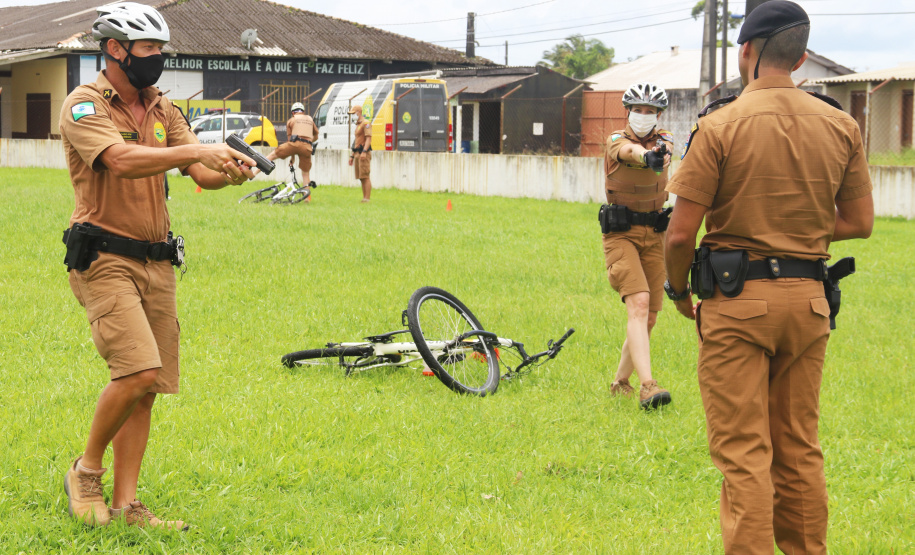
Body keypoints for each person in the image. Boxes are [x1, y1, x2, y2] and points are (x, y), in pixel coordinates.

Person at [663, 2, 874, 553]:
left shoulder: (719, 124)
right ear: (802, 57)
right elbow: (858, 222)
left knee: (744, 453)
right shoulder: (840, 123)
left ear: (746, 53)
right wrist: (797, 223)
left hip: (736, 304)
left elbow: (681, 235)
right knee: (799, 447)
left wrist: (680, 291)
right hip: (808, 304)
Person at [59, 1, 256, 529]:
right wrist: (199, 153)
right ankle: (85, 472)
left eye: (160, 49)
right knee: (137, 370)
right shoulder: (84, 105)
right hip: (104, 258)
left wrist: (228, 170)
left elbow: (200, 169)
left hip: (158, 260)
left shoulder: (163, 108)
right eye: (148, 49)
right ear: (115, 50)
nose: (158, 58)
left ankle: (127, 506)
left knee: (148, 388)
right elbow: (120, 162)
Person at [601, 82, 674, 410]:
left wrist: (659, 154)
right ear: (628, 111)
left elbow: (666, 152)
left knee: (650, 318)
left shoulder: (665, 141)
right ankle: (648, 386)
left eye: (650, 111)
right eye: (638, 110)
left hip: (655, 236)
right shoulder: (616, 140)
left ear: (659, 115)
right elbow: (630, 153)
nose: (644, 116)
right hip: (622, 235)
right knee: (639, 303)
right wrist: (648, 157)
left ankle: (621, 382)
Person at [267, 102, 319, 200]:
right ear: (303, 112)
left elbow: (291, 142)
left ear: (293, 113)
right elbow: (316, 135)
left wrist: (292, 158)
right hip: (307, 147)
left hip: (294, 145)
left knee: (273, 155)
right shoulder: (309, 119)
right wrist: (308, 141)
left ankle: (255, 171)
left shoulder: (292, 120)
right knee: (305, 174)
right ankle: (307, 198)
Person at [347, 105, 372, 202]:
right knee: (361, 177)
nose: (352, 115)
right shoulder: (358, 125)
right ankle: (364, 197)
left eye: (353, 113)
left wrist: (364, 151)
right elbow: (356, 141)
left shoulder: (366, 123)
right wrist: (352, 155)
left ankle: (367, 198)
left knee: (365, 176)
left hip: (363, 153)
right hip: (357, 153)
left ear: (358, 112)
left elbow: (368, 138)